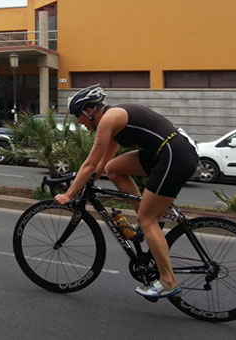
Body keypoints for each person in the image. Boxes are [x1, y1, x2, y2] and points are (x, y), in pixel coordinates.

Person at [54, 84, 199, 299]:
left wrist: (69, 195)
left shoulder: (108, 119)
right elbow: (104, 163)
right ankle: (147, 221)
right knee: (115, 169)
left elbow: (90, 163)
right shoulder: (113, 120)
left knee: (148, 219)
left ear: (89, 111)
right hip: (164, 152)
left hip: (175, 155)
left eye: (78, 116)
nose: (78, 122)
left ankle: (168, 281)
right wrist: (87, 182)